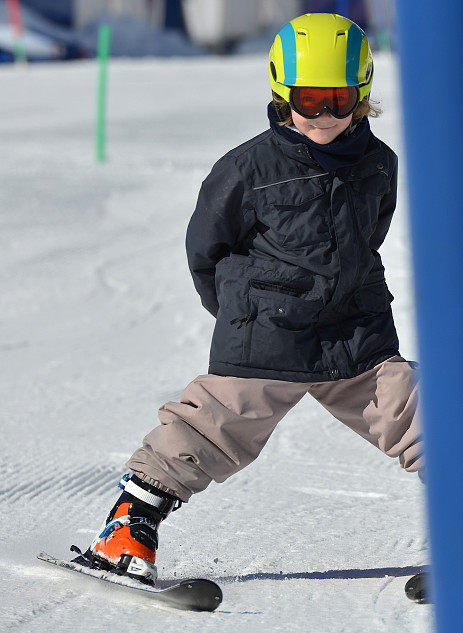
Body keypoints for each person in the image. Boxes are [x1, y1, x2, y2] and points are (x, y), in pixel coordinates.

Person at [75, 13, 423, 586]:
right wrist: (243, 315)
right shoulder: (245, 168)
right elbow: (205, 249)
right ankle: (126, 531)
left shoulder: (378, 162)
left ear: (361, 96)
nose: (325, 117)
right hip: (269, 332)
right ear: (282, 93)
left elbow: (370, 235)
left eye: (339, 100)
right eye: (309, 101)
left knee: (425, 417)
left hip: (355, 336)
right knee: (209, 427)